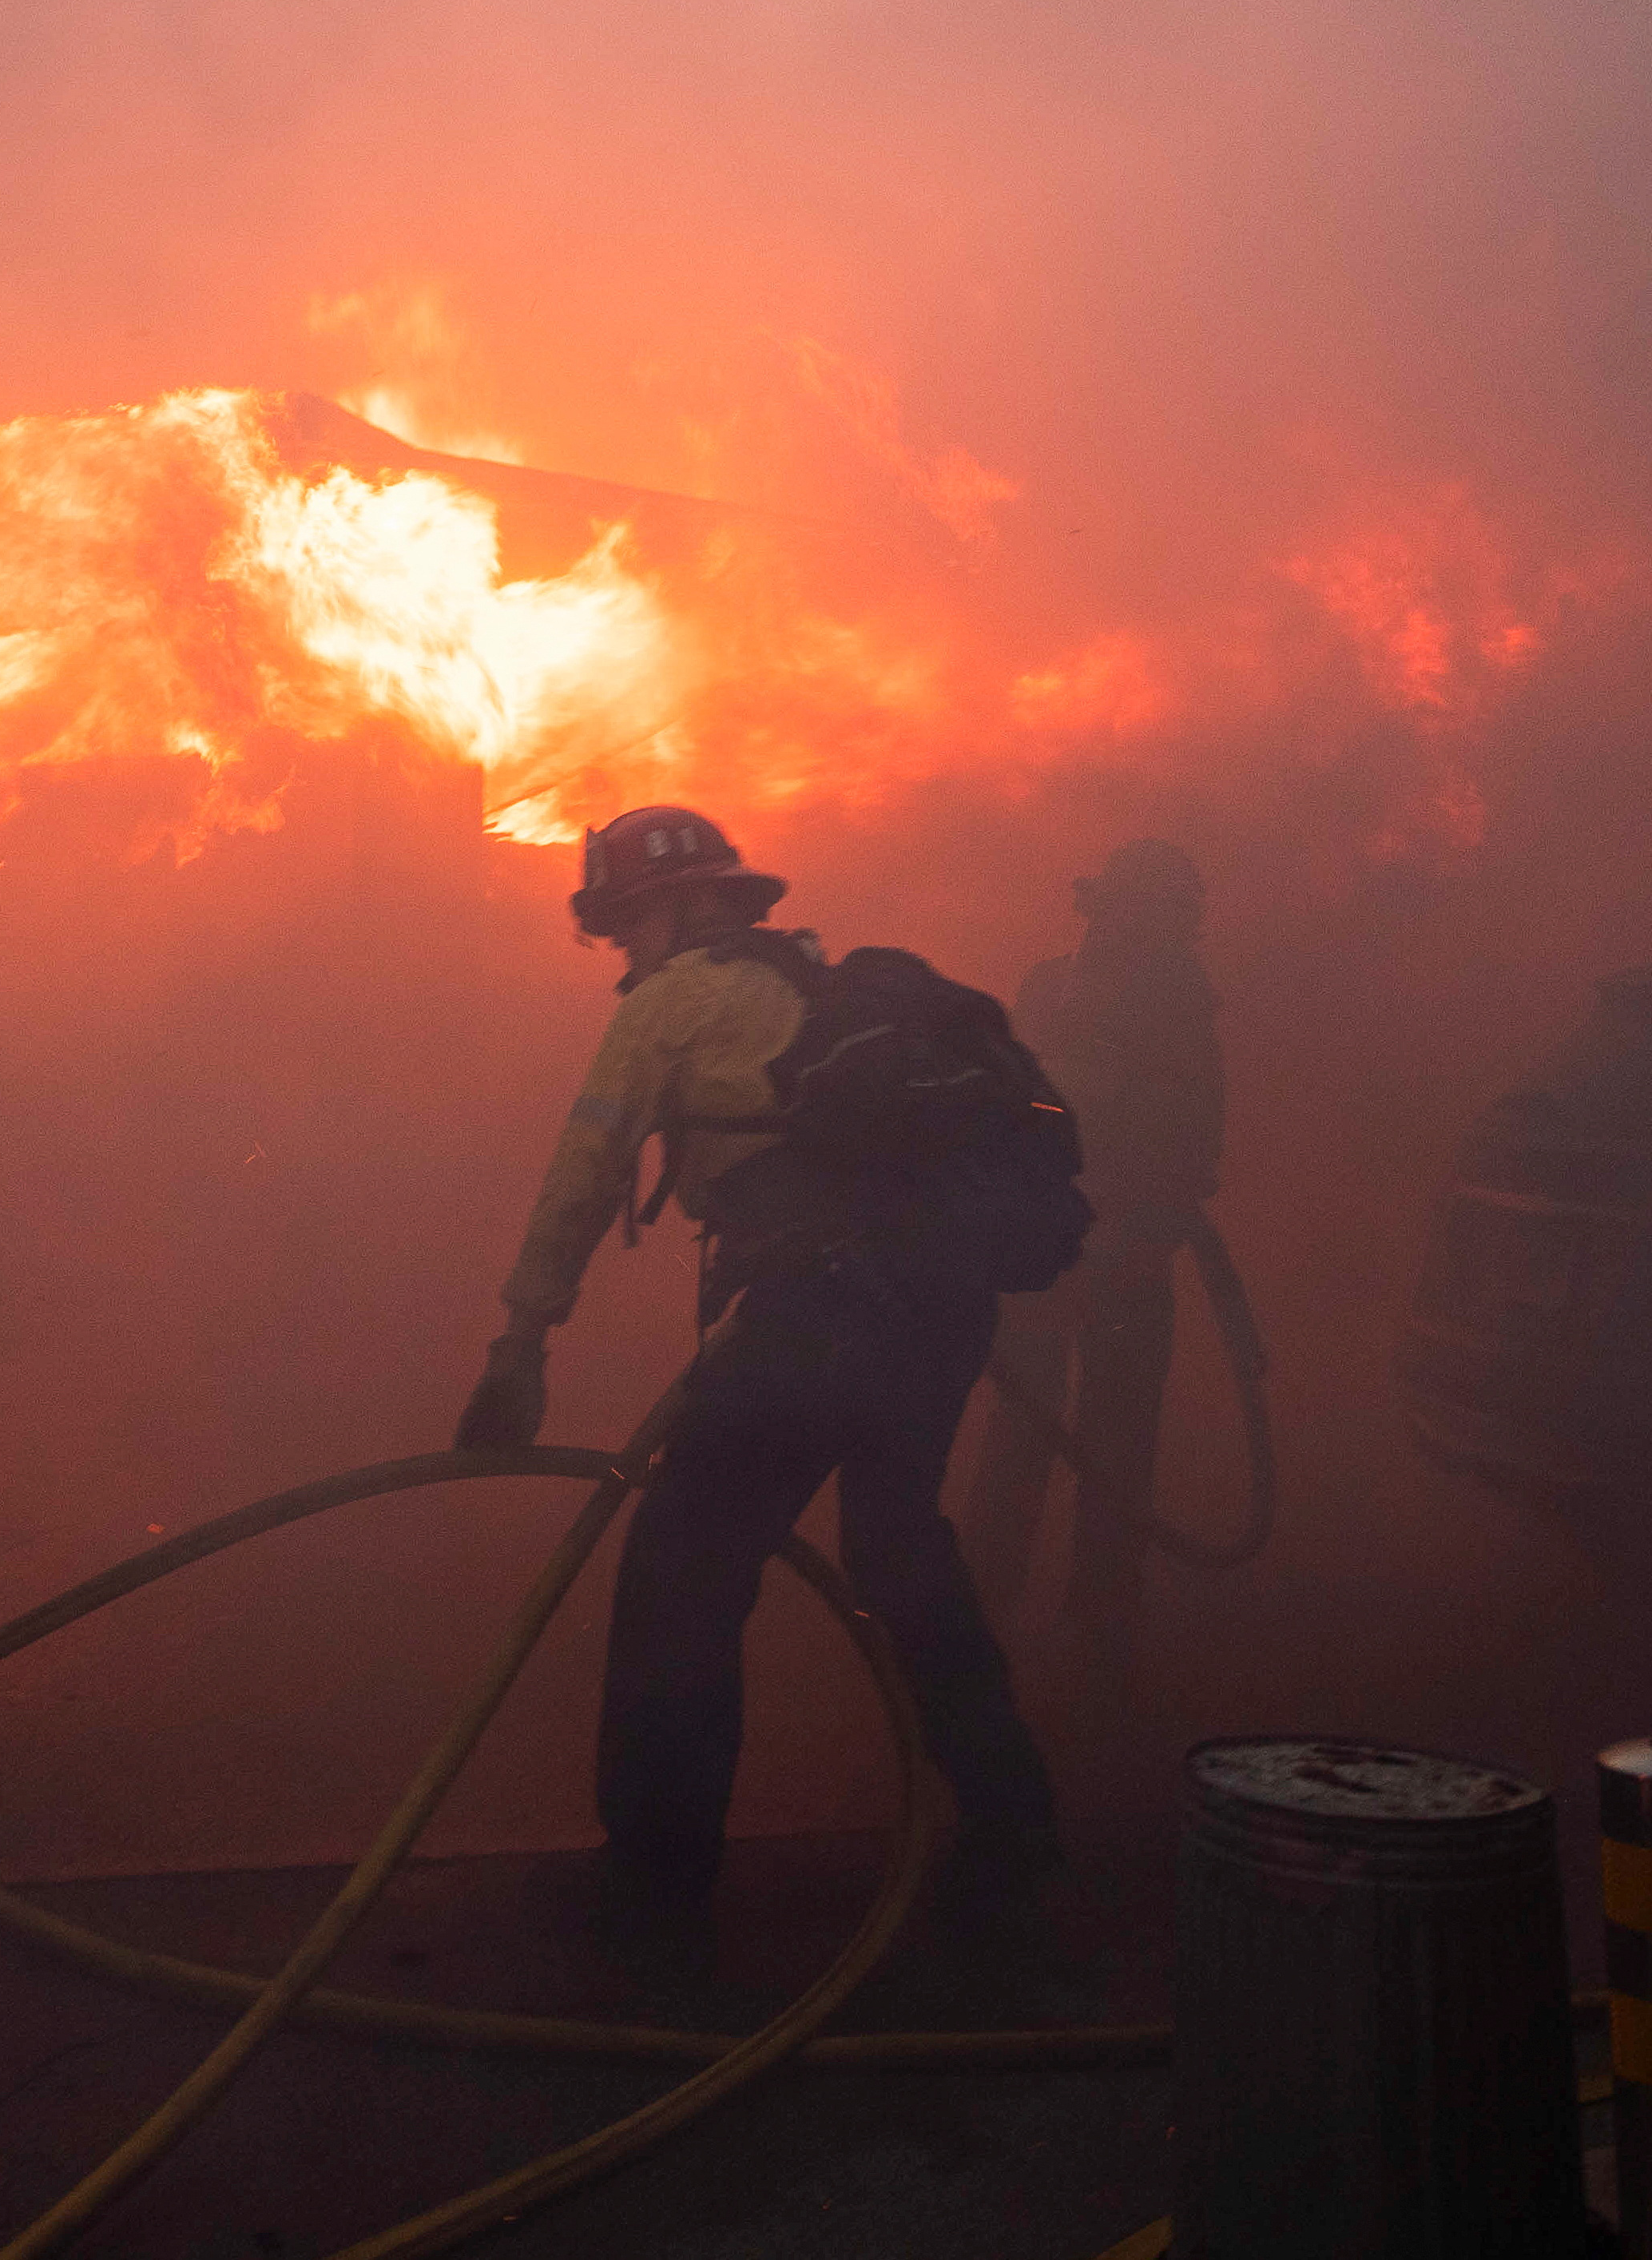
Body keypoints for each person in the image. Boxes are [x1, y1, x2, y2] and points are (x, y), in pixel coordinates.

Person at [452, 806, 1063, 1961]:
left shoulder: (676, 1002)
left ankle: (653, 1891)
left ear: (680, 909)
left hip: (815, 1318)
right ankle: (1014, 1827)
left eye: (627, 923)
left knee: (683, 1571)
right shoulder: (827, 988)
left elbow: (585, 1168)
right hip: (934, 1310)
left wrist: (520, 1343)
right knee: (899, 1551)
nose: (623, 951)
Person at [964, 838, 1225, 1713]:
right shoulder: (1171, 988)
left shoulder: (1052, 982)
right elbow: (1190, 1118)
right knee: (1095, 1430)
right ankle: (1088, 1626)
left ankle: (1005, 1613)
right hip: (1105, 1246)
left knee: (1038, 1425)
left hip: (1056, 1242)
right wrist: (1159, 1215)